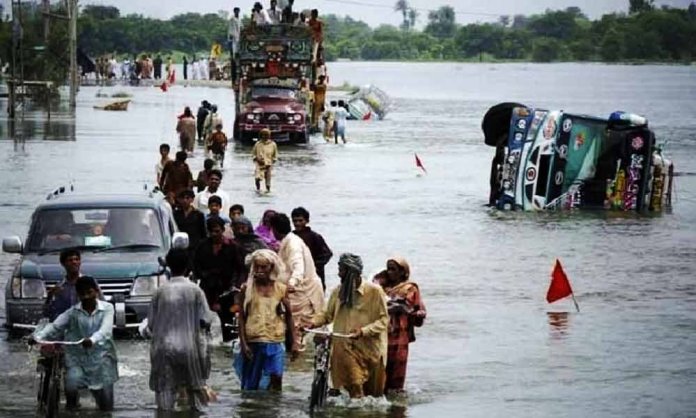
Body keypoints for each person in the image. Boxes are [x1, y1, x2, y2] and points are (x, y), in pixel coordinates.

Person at [306, 253, 388, 399]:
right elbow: (327, 315)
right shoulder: (338, 291)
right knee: (355, 389)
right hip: (344, 348)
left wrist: (363, 331)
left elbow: (383, 320)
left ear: (352, 272)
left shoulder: (375, 292)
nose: (339, 274)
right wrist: (312, 322)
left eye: (342, 270)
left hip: (369, 348)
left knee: (374, 395)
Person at [30, 276, 118, 411]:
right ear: (78, 295)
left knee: (106, 404)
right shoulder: (72, 313)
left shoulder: (107, 308)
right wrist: (38, 337)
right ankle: (72, 409)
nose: (87, 296)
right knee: (71, 385)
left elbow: (105, 330)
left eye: (89, 292)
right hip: (77, 358)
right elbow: (55, 326)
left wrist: (92, 340)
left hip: (102, 358)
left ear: (96, 292)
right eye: (82, 294)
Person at [146, 248, 213, 412]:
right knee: (195, 398)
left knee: (164, 399)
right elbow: (206, 320)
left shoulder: (159, 291)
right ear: (188, 266)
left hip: (162, 348)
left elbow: (151, 325)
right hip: (189, 348)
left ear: (168, 265)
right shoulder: (195, 290)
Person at [235, 249, 298, 390]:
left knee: (276, 377)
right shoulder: (247, 289)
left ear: (271, 268)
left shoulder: (281, 289)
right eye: (257, 266)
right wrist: (244, 344)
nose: (259, 270)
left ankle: (274, 409)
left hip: (275, 341)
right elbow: (242, 318)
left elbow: (289, 317)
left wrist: (294, 342)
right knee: (251, 384)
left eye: (264, 267)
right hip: (254, 341)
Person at [270, 213, 324, 346]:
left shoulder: (293, 244)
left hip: (303, 293)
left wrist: (292, 283)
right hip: (296, 293)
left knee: (299, 330)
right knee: (292, 329)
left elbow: (298, 267)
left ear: (275, 230)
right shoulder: (288, 241)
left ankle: (299, 363)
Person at [193, 217, 246, 341]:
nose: (214, 234)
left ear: (222, 230)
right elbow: (196, 266)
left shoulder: (233, 247)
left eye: (217, 231)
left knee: (228, 323)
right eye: (211, 231)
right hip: (207, 288)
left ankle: (229, 347)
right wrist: (203, 275)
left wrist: (236, 287)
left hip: (227, 289)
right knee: (203, 321)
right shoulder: (202, 246)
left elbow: (241, 269)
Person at [379, 257, 427, 393]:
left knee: (396, 375)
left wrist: (406, 310)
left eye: (393, 269)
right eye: (388, 268)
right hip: (381, 334)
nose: (389, 272)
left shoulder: (409, 288)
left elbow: (417, 310)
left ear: (402, 272)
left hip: (400, 336)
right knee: (378, 372)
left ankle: (396, 409)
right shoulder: (381, 287)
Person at [291, 207, 333, 291]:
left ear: (307, 221)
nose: (297, 223)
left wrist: (313, 266)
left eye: (300, 220)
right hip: (296, 277)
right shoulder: (290, 237)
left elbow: (327, 254)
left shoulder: (315, 237)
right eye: (295, 221)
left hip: (315, 277)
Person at [251, 128, 278, 193]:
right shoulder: (257, 144)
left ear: (269, 136)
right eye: (263, 135)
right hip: (259, 164)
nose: (264, 136)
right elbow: (253, 154)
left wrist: (272, 162)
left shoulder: (273, 144)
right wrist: (257, 159)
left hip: (268, 164)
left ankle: (267, 190)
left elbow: (275, 156)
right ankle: (258, 189)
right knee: (257, 178)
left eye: (266, 135)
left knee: (268, 180)